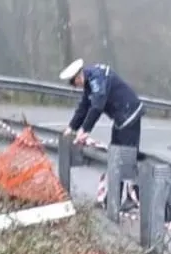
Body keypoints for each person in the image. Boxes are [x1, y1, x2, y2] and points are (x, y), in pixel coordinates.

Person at [59, 58, 146, 206]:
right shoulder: (89, 81)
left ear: (79, 77)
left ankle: (133, 198)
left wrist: (85, 130)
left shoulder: (96, 79)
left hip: (129, 114)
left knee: (126, 156)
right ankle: (112, 199)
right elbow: (84, 107)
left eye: (75, 83)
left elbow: (97, 106)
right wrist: (72, 127)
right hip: (120, 117)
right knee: (115, 156)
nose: (77, 87)